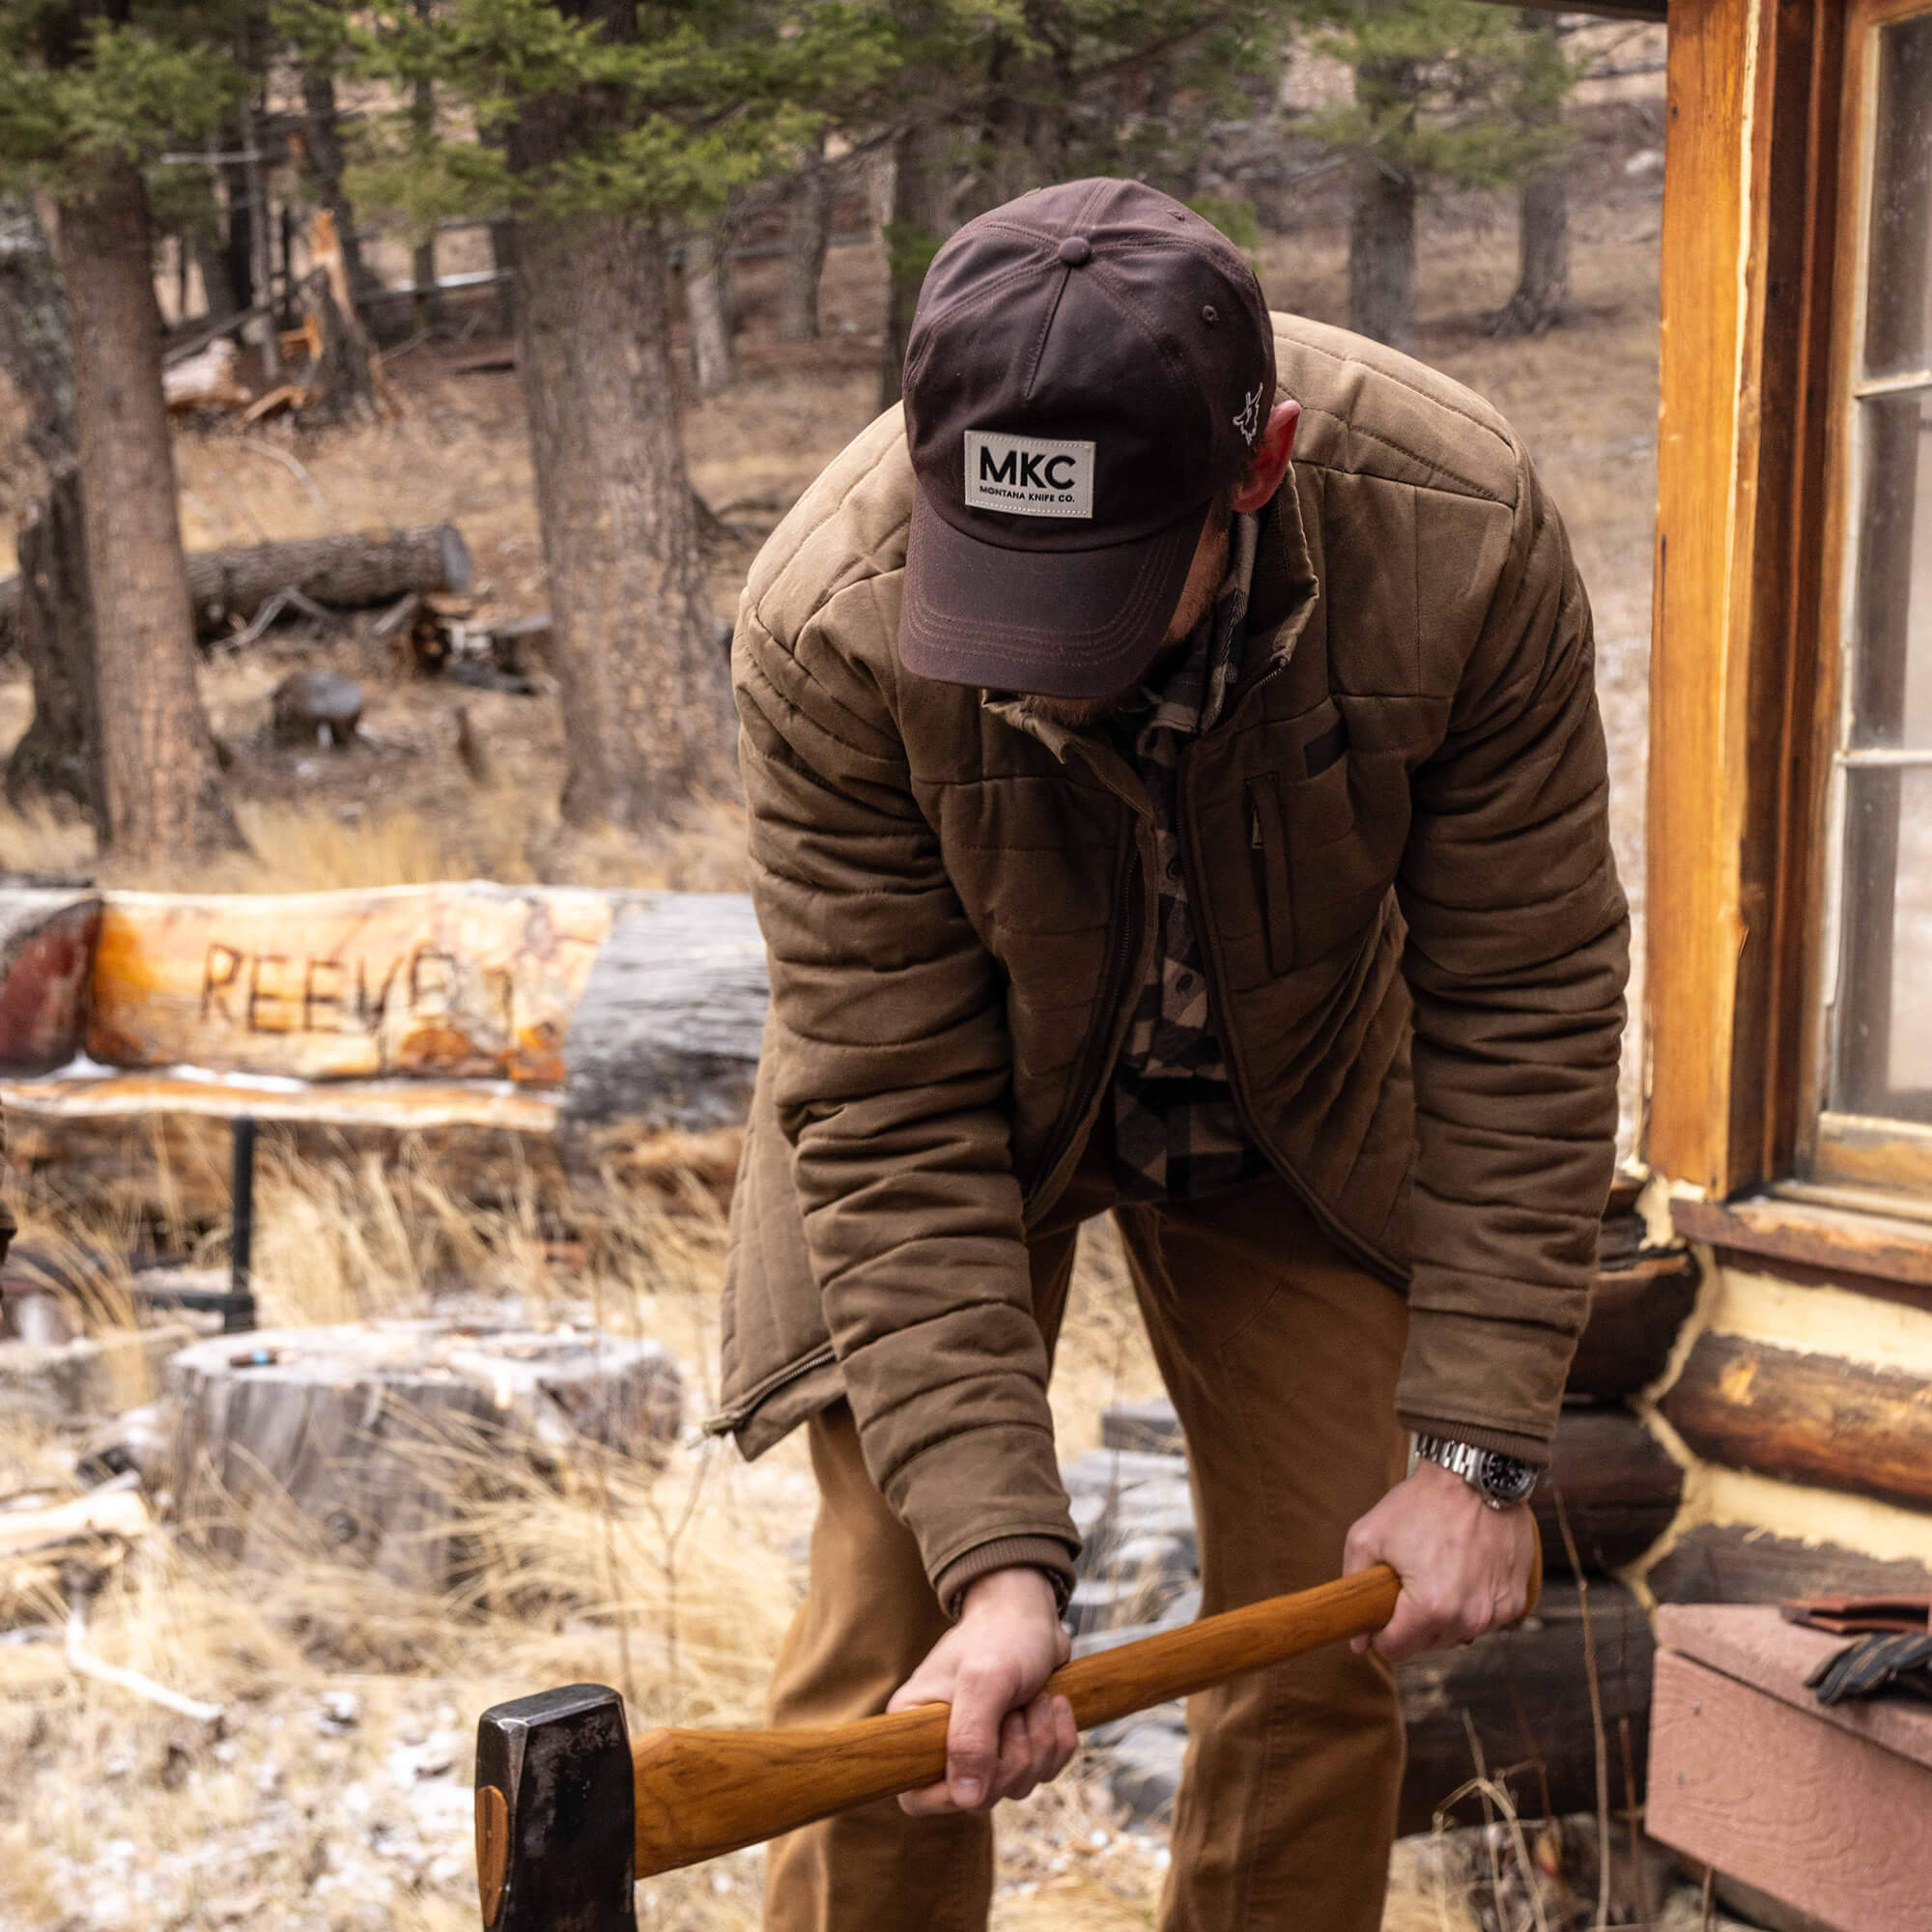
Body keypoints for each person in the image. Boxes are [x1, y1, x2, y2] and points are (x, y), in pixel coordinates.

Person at [713, 176, 1628, 1932]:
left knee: (1323, 1638)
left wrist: (1480, 1451)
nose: (1042, 666)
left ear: (1257, 466)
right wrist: (999, 1564)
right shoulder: (828, 615)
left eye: (1104, 589)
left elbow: (1528, 989)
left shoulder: (1458, 533)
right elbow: (888, 1101)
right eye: (997, 586)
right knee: (904, 1667)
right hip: (954, 1116)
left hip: (1307, 1100)